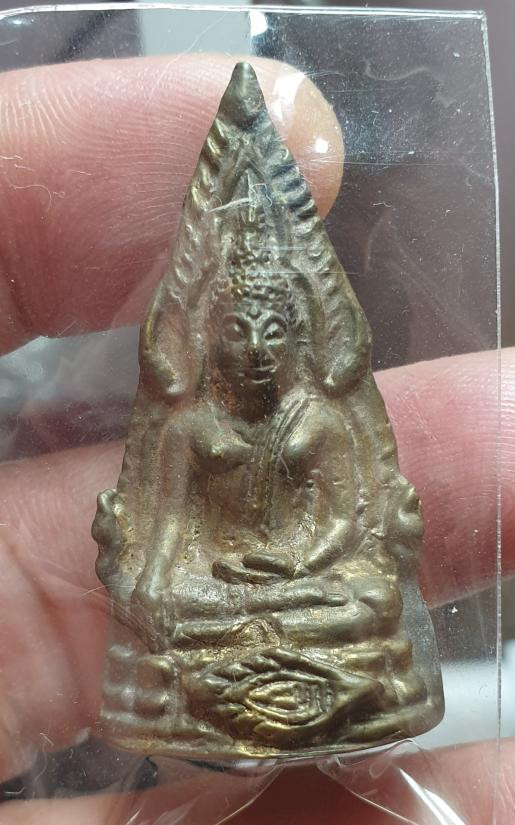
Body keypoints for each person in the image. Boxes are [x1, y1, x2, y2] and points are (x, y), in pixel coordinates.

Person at [0, 53, 512, 824]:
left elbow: (351, 525)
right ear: (207, 338)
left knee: (368, 596)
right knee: (160, 601)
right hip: (211, 590)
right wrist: (150, 576)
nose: (257, 348)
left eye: (276, 330)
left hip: (308, 583)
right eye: (238, 331)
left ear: (306, 335)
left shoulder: (319, 418)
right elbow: (163, 535)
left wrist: (297, 562)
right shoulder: (191, 423)